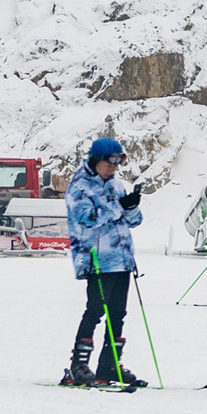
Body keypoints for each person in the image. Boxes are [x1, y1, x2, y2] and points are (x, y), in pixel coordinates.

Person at [61, 136, 147, 387]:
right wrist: (119, 207)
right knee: (95, 310)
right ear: (96, 161)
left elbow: (134, 221)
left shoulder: (117, 185)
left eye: (117, 164)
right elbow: (86, 219)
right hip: (96, 259)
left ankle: (108, 365)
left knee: (118, 314)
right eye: (109, 164)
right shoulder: (80, 187)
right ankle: (79, 364)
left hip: (121, 260)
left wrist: (130, 206)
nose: (113, 169)